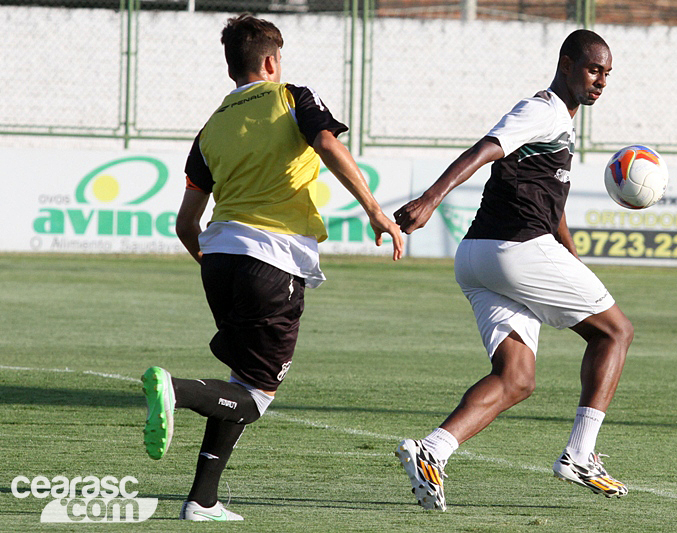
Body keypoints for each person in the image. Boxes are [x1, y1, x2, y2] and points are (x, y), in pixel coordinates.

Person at [140, 14, 403, 521]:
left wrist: (217, 262)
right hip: (272, 260)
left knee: (239, 382)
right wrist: (375, 210)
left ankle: (202, 500)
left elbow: (185, 222)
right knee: (256, 396)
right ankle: (175, 390)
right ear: (270, 61)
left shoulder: (211, 127)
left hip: (218, 260)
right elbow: (327, 144)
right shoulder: (292, 96)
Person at [392, 29, 631, 511]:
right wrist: (431, 199)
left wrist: (568, 250)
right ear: (566, 63)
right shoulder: (541, 109)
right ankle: (580, 455)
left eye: (607, 73)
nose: (601, 80)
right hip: (515, 251)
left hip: (478, 258)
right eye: (592, 69)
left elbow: (548, 195)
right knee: (615, 333)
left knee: (517, 378)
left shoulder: (563, 120)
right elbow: (487, 148)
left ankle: (431, 451)